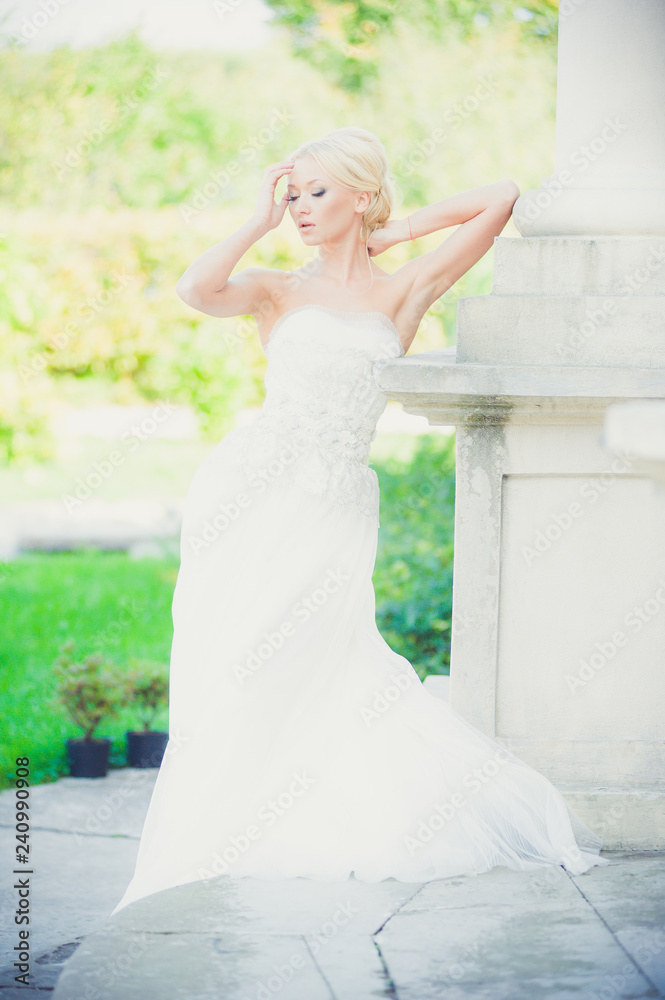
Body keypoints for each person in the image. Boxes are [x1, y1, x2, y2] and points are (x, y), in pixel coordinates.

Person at [111, 126, 608, 916]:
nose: (299, 208)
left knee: (325, 656)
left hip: (335, 499)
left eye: (314, 192)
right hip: (253, 490)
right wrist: (253, 220)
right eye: (291, 193)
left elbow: (500, 198)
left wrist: (394, 229)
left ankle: (305, 806)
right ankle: (228, 815)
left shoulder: (401, 288)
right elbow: (196, 291)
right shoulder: (277, 287)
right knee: (241, 653)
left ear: (360, 196)